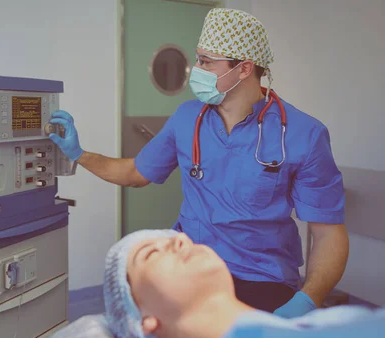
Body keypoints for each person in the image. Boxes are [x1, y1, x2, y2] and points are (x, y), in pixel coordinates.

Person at [49, 8, 349, 318]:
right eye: (197, 58)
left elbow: (328, 233)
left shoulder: (305, 134)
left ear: (244, 69)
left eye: (206, 62)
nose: (196, 69)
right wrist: (79, 154)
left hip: (262, 277)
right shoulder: (187, 118)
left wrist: (307, 300)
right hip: (190, 266)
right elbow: (135, 172)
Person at [102, 229, 380, 338]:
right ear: (143, 321)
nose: (180, 239)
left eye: (178, 238)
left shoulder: (347, 324)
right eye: (151, 253)